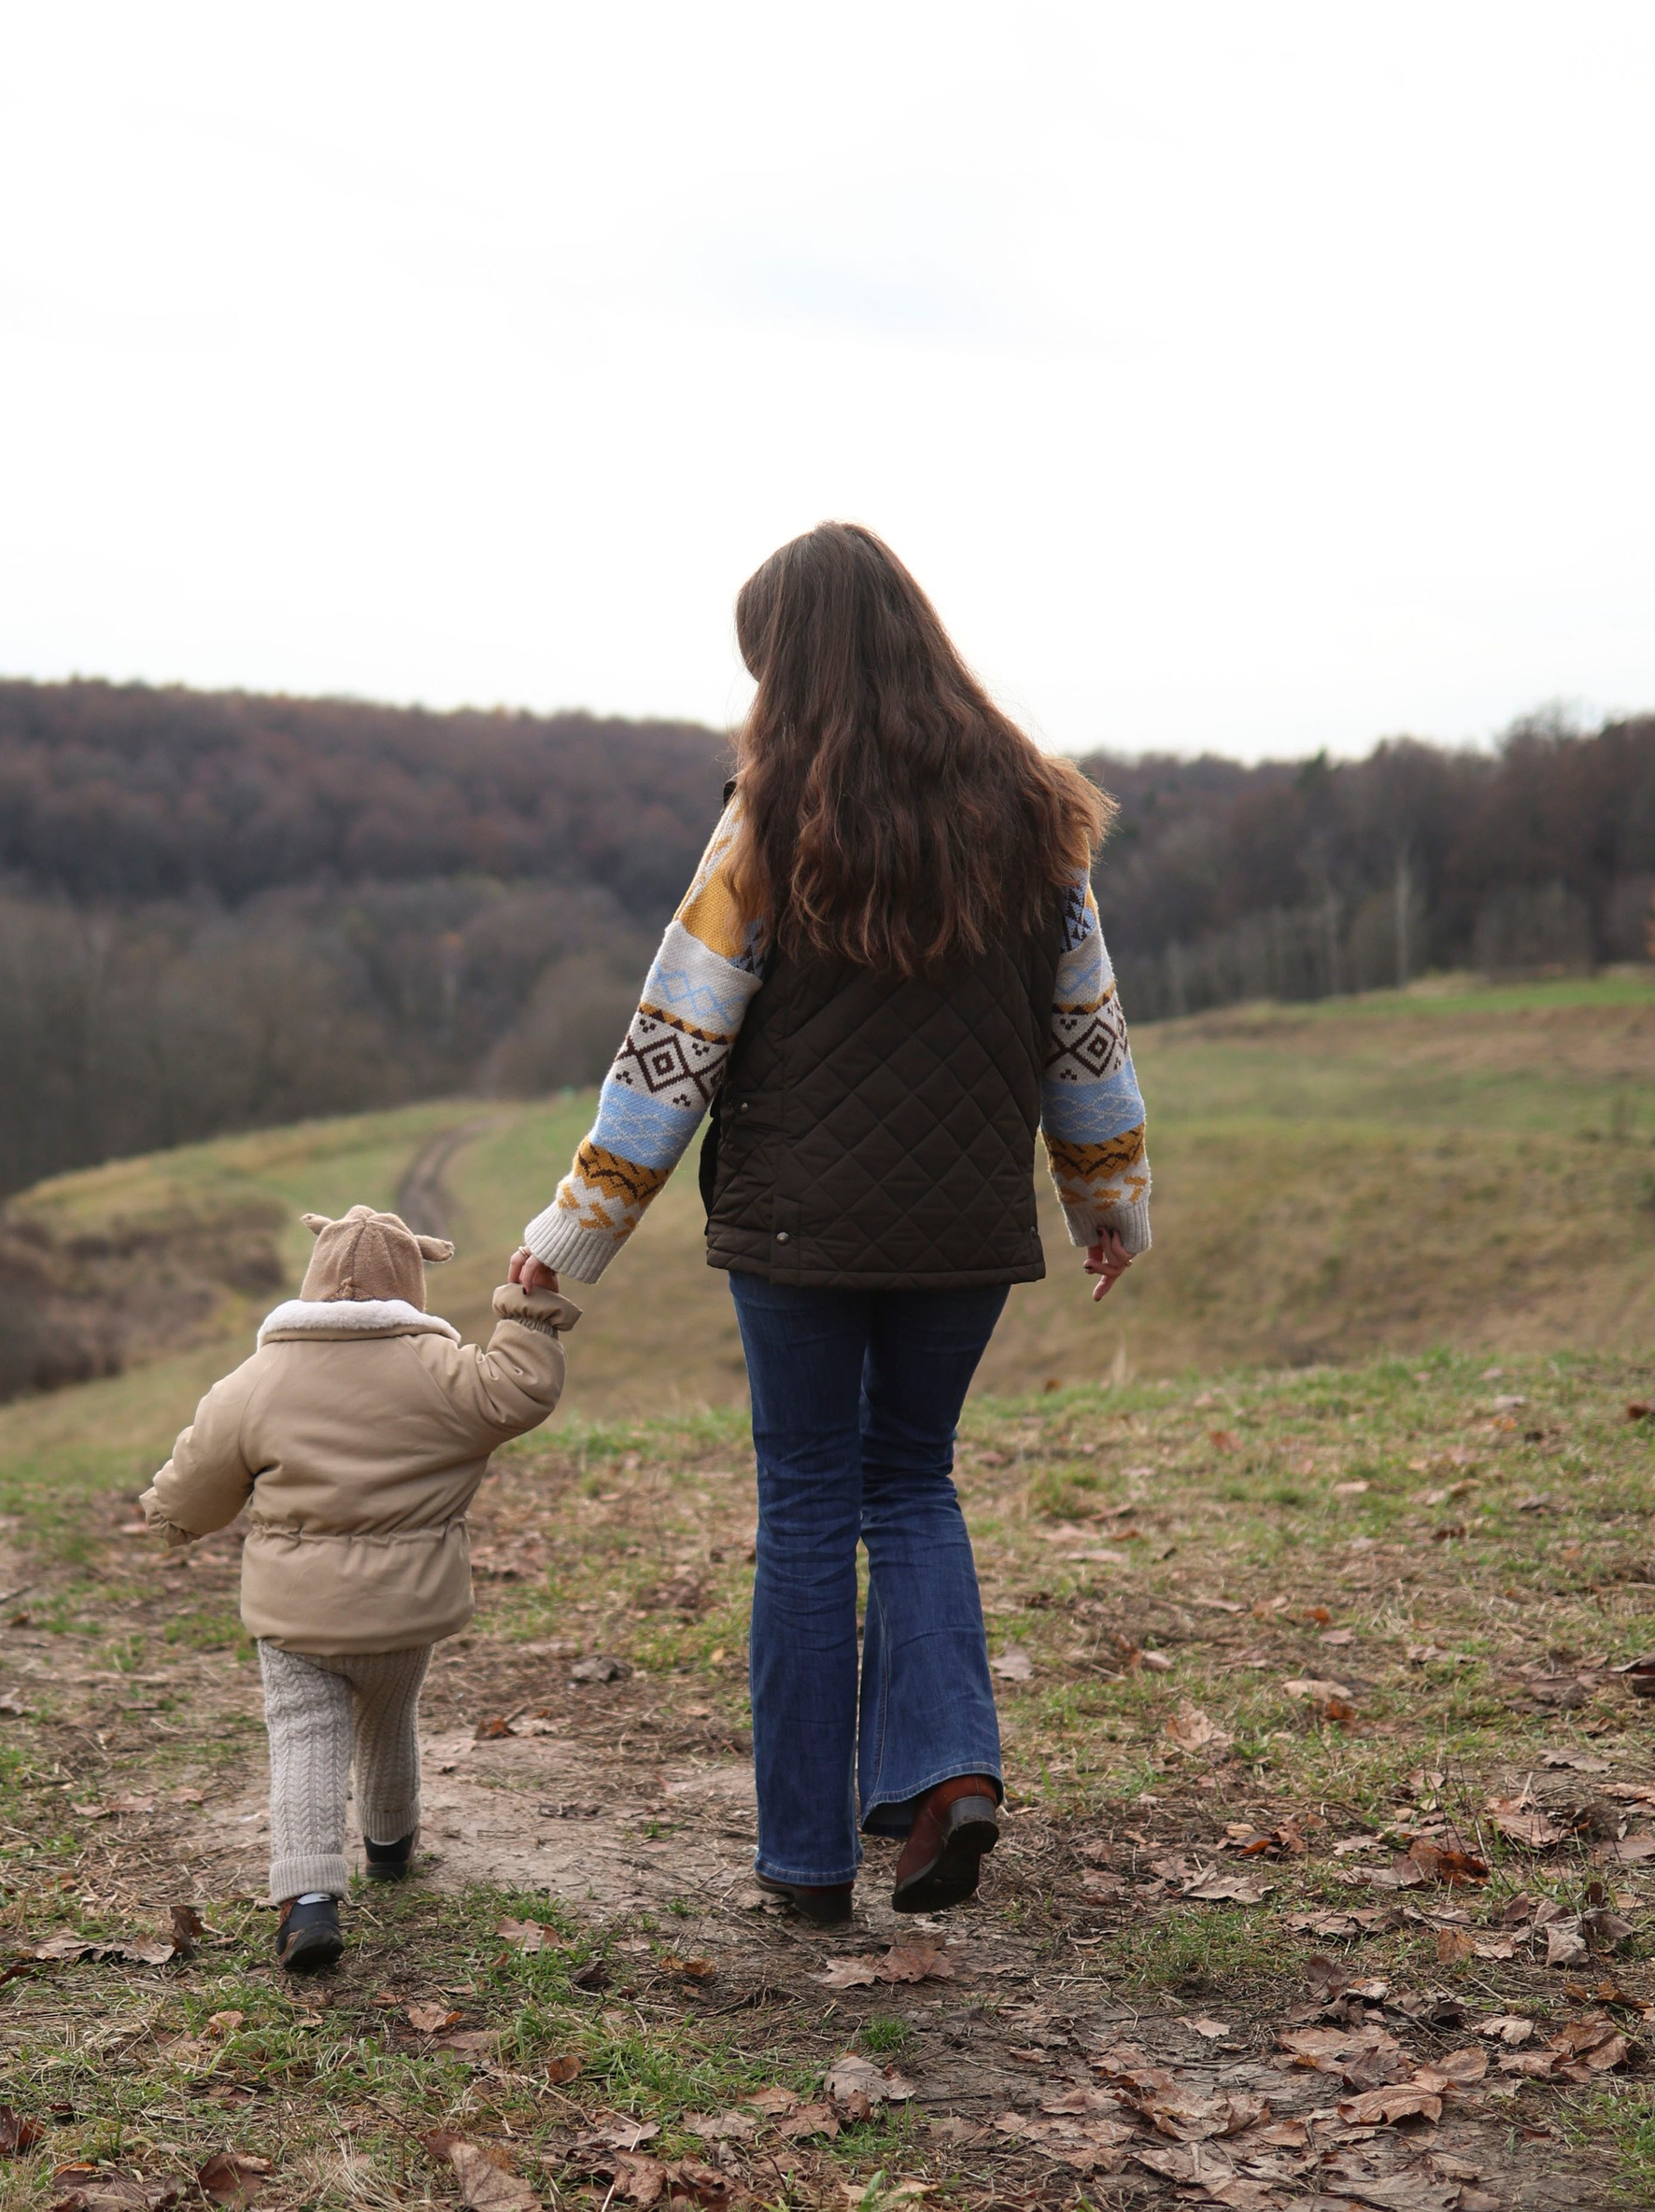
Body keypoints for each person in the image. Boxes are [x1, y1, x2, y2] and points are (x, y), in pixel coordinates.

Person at [509, 523, 1150, 1927]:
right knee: (912, 1479)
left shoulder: (770, 816)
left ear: (789, 666)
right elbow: (1083, 1030)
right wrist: (1107, 1196)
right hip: (964, 1226)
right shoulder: (1038, 813)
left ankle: (806, 1863)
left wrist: (578, 1228)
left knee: (806, 1507)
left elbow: (673, 1040)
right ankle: (945, 1775)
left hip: (798, 1227)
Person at [142, 1203, 577, 1974]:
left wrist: (171, 1517)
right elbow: (520, 1389)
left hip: (295, 1619)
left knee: (306, 1734)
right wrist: (526, 1309)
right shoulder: (443, 1374)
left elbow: (200, 1476)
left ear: (313, 1281)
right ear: (412, 1285)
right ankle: (389, 1844)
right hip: (407, 1612)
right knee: (388, 1716)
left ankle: (307, 1901)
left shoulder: (258, 1380)